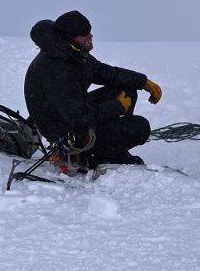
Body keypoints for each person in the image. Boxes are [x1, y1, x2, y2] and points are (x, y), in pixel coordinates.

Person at [24, 10, 161, 168]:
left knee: (126, 88)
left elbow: (104, 72)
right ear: (70, 37)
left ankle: (112, 148)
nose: (91, 36)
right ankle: (91, 154)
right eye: (84, 34)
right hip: (66, 132)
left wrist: (142, 82)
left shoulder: (71, 52)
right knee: (140, 127)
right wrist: (116, 106)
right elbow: (77, 116)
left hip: (72, 113)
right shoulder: (56, 68)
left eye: (89, 31)